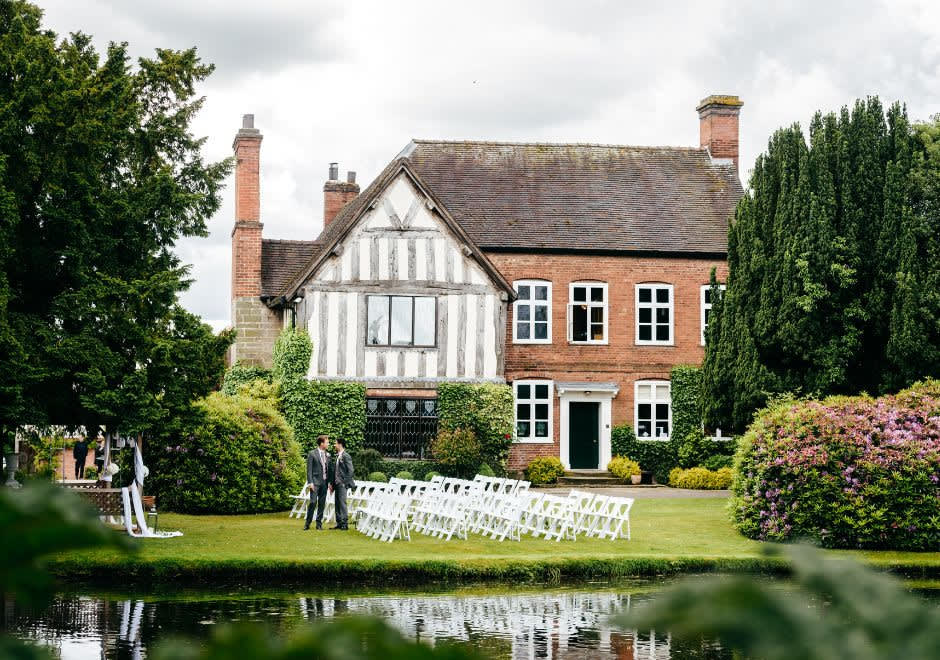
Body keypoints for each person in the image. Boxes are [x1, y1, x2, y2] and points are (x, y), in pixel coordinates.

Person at [304, 435, 330, 530]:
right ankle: (308, 522)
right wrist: (310, 482)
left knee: (322, 503)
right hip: (314, 482)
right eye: (327, 442)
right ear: (321, 443)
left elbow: (329, 469)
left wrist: (330, 482)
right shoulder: (312, 454)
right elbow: (309, 470)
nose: (328, 444)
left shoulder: (328, 455)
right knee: (313, 502)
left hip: (324, 482)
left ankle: (319, 524)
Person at [330, 438, 356, 530]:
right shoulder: (338, 456)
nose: (334, 445)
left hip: (342, 484)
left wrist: (345, 482)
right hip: (336, 484)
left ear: (340, 444)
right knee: (337, 503)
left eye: (335, 443)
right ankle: (339, 523)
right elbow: (335, 471)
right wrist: (332, 484)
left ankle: (345, 524)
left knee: (342, 503)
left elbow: (351, 470)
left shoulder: (346, 456)